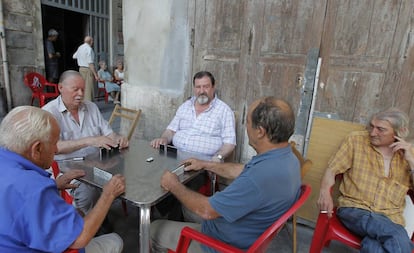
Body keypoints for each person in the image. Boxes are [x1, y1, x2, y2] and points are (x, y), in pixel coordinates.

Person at [150, 97, 302, 253]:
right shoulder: (288, 159)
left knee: (154, 229)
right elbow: (243, 170)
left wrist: (173, 184)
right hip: (242, 229)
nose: (245, 126)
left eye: (248, 121)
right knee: (185, 205)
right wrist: (206, 164)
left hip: (222, 244)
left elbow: (207, 210)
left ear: (260, 132)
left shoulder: (257, 179)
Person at [0, 106, 125, 253]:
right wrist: (108, 194)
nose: (56, 150)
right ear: (37, 149)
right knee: (115, 240)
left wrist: (54, 184)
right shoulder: (33, 188)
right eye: (53, 143)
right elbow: (80, 239)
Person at [317, 108, 414, 253]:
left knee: (374, 247)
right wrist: (324, 191)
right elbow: (332, 169)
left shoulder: (409, 153)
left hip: (390, 218)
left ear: (399, 131)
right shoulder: (356, 140)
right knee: (397, 235)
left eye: (380, 129)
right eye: (371, 126)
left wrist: (411, 161)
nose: (373, 133)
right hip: (355, 210)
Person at [42, 70, 129, 215]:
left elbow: (109, 133)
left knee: (124, 176)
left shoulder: (91, 107)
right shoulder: (49, 113)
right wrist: (90, 140)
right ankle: (85, 222)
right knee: (87, 192)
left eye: (83, 89)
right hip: (67, 167)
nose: (81, 94)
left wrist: (118, 138)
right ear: (60, 88)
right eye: (75, 89)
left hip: (98, 162)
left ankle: (100, 215)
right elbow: (53, 147)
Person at [150, 71, 236, 162]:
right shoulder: (185, 106)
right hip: (174, 156)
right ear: (194, 88)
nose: (202, 91)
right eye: (198, 87)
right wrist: (164, 139)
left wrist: (219, 157)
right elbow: (171, 131)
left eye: (206, 87)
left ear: (213, 87)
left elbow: (229, 144)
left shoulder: (224, 111)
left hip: (204, 162)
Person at [73, 36, 99, 101]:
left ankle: (82, 103)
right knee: (89, 88)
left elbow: (74, 56)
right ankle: (89, 105)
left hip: (81, 69)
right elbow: (90, 63)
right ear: (91, 41)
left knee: (82, 87)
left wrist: (81, 58)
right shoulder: (89, 49)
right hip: (87, 69)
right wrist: (96, 75)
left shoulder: (80, 47)